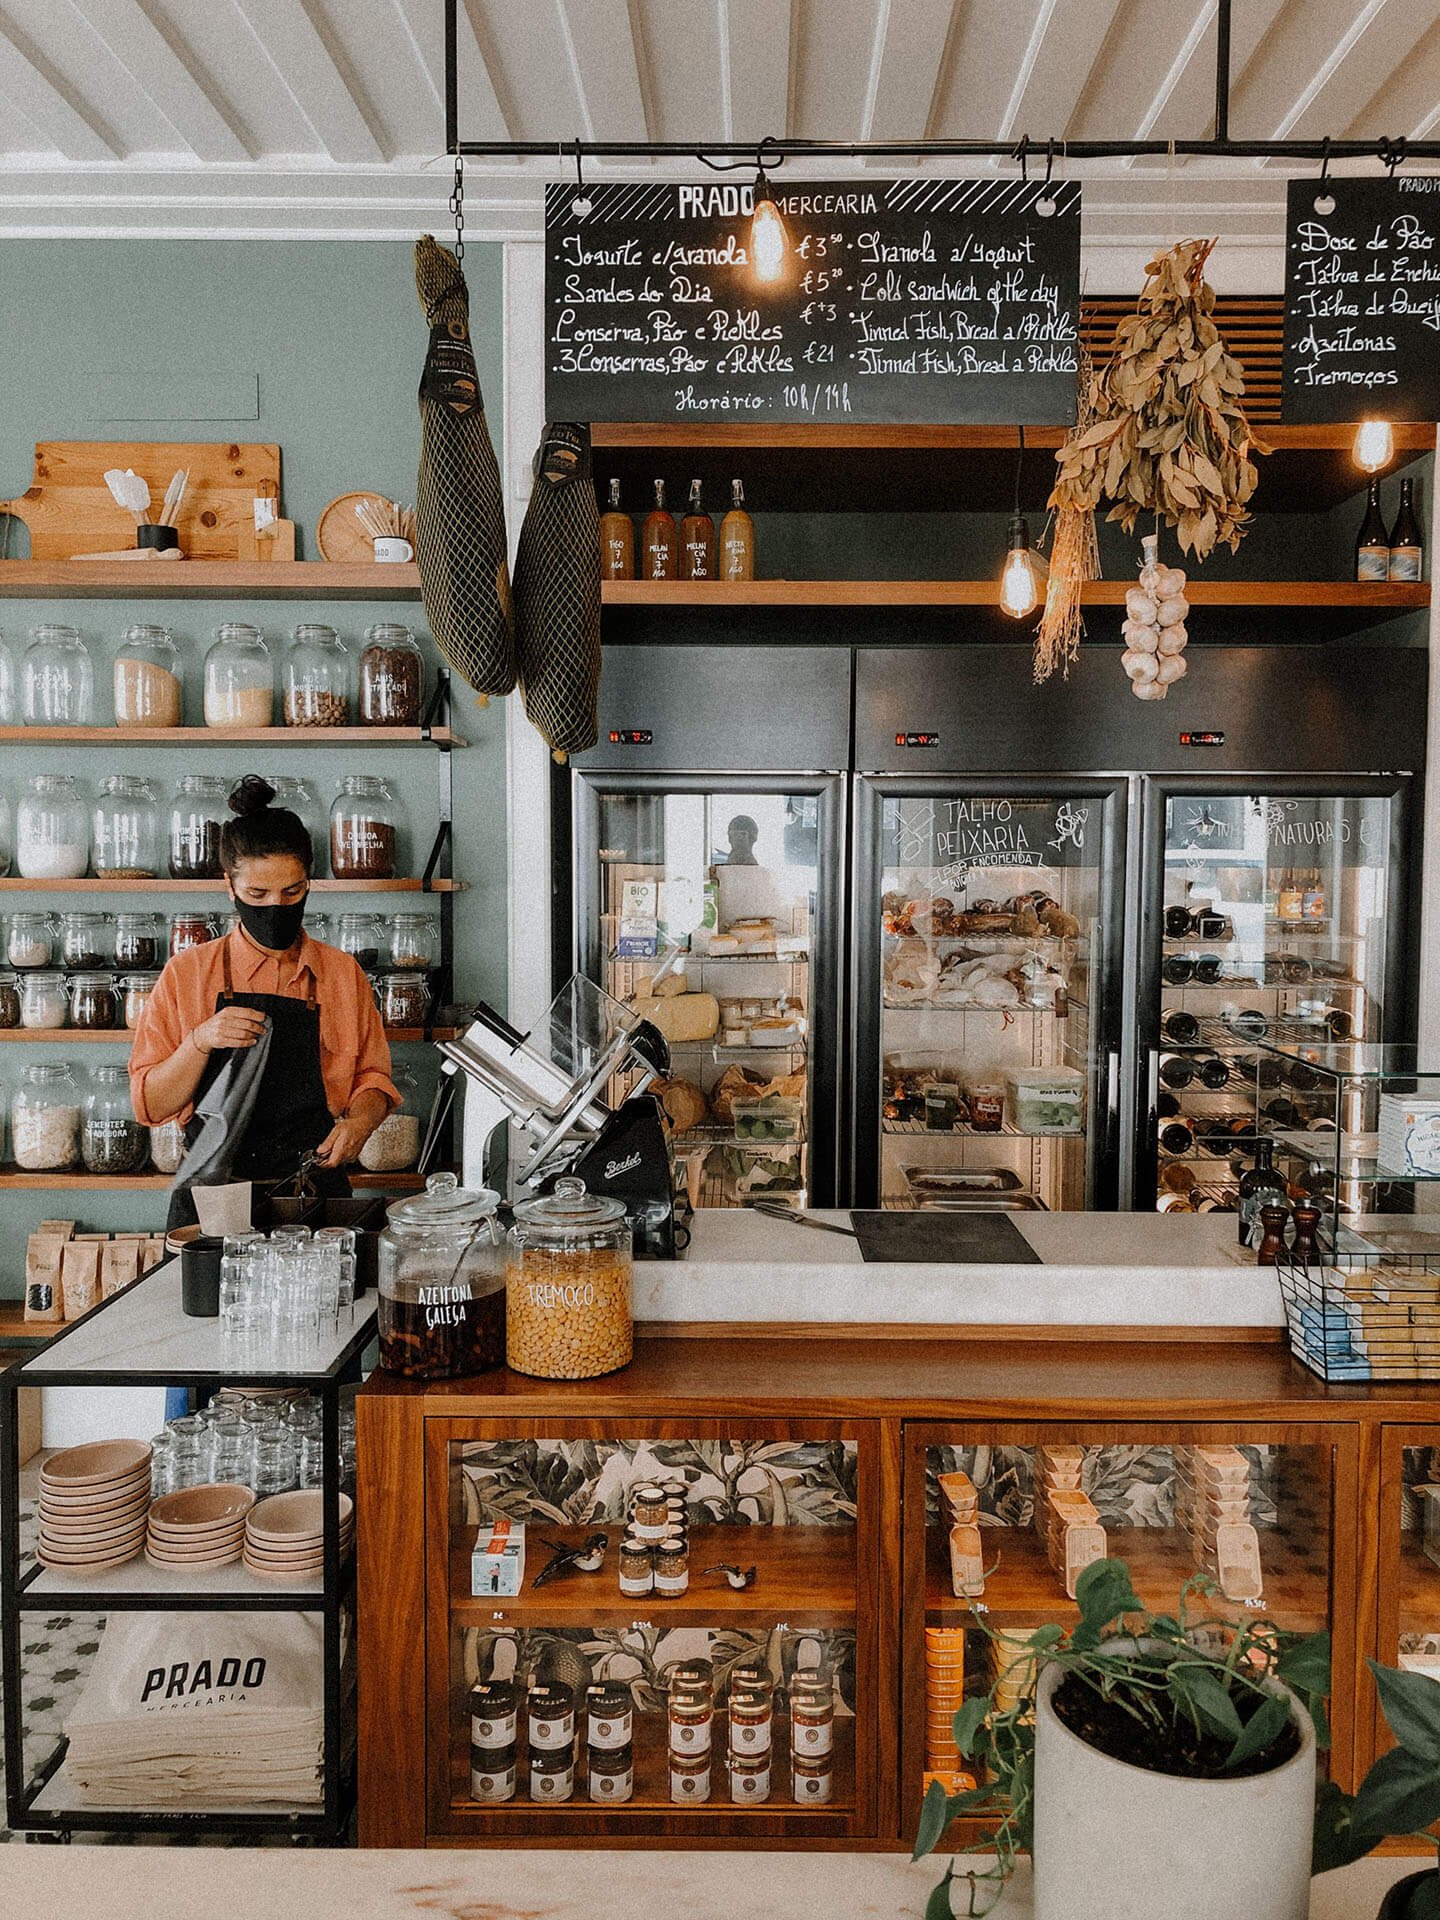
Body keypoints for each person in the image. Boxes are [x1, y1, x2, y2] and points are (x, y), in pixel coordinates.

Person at [130, 775, 398, 1228]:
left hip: (315, 1188)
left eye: (292, 892)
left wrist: (359, 1124)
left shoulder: (341, 974)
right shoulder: (187, 974)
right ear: (230, 886)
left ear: (309, 882)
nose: (276, 906)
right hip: (214, 1195)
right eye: (257, 894)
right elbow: (151, 1106)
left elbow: (373, 1079)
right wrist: (200, 1041)